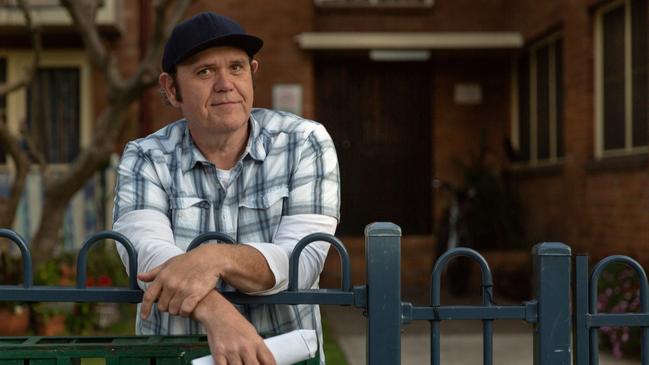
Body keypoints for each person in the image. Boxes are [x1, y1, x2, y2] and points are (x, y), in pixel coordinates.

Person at [112, 11, 340, 365]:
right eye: (204, 71)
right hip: (178, 358)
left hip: (283, 357)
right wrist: (219, 315)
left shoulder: (304, 143)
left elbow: (301, 261)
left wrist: (214, 258)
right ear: (171, 89)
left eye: (236, 67)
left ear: (253, 74)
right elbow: (146, 255)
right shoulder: (145, 157)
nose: (225, 84)